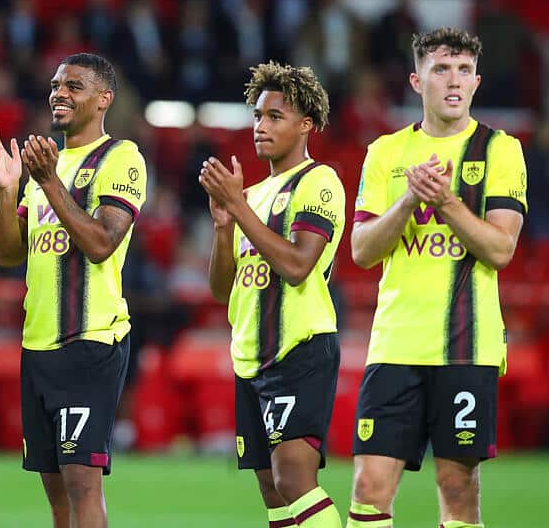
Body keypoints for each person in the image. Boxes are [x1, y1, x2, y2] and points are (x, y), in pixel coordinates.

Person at [349, 27, 527, 528]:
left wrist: (445, 202)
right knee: (368, 486)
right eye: (441, 69)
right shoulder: (385, 153)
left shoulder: (500, 150)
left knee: (456, 487)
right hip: (394, 345)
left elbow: (500, 248)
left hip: (466, 346)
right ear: (416, 80)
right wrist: (409, 199)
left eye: (464, 70)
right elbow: (362, 250)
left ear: (476, 82)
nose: (454, 80)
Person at [0, 53, 147, 528]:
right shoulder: (41, 165)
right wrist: (8, 190)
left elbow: (100, 243)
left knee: (82, 484)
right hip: (38, 343)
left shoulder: (121, 158)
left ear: (103, 99)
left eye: (74, 85)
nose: (59, 93)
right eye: (55, 85)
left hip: (90, 340)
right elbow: (9, 254)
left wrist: (48, 181)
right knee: (56, 497)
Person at [200, 61, 344, 528]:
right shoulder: (253, 195)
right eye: (258, 116)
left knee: (293, 479)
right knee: (271, 490)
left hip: (298, 348)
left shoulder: (319, 182)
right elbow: (222, 289)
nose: (261, 126)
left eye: (275, 116)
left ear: (306, 125)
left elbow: (299, 266)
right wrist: (224, 228)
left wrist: (238, 207)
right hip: (250, 357)